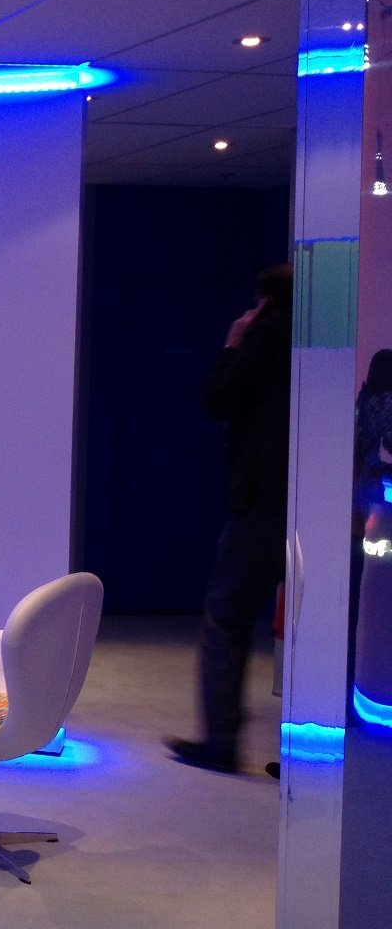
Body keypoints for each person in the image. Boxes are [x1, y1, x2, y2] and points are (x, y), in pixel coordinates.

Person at [167, 263, 293, 774]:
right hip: (311, 496)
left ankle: (220, 742)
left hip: (262, 497)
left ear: (263, 300)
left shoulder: (264, 333)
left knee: (226, 614)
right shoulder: (319, 340)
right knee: (317, 626)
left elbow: (217, 399)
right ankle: (315, 748)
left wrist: (232, 343)